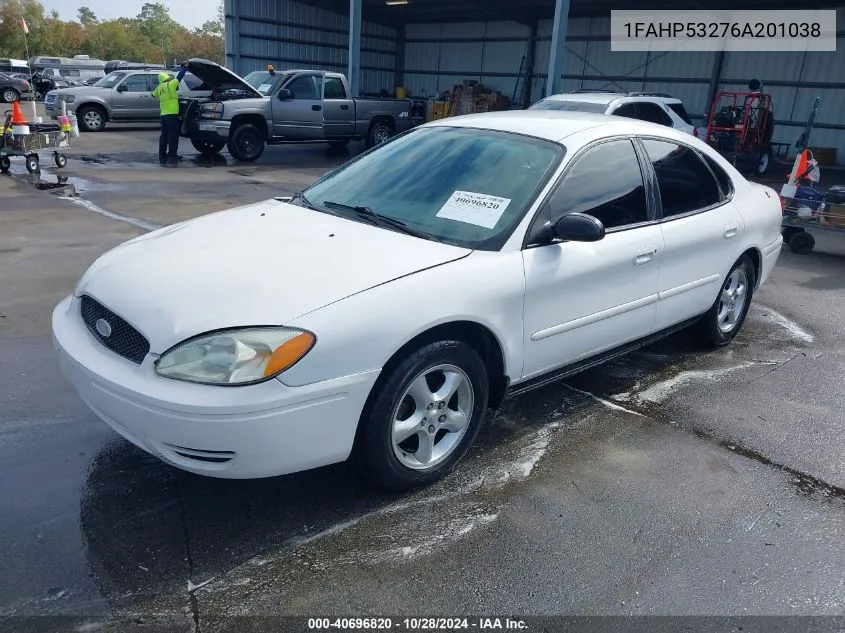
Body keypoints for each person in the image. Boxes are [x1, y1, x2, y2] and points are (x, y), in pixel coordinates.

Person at [152, 64, 188, 166]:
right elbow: (180, 76)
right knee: (172, 136)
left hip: (163, 115)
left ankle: (162, 155)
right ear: (167, 78)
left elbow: (152, 95)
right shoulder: (171, 84)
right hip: (172, 115)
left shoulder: (159, 88)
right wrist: (185, 68)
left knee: (164, 136)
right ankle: (172, 155)